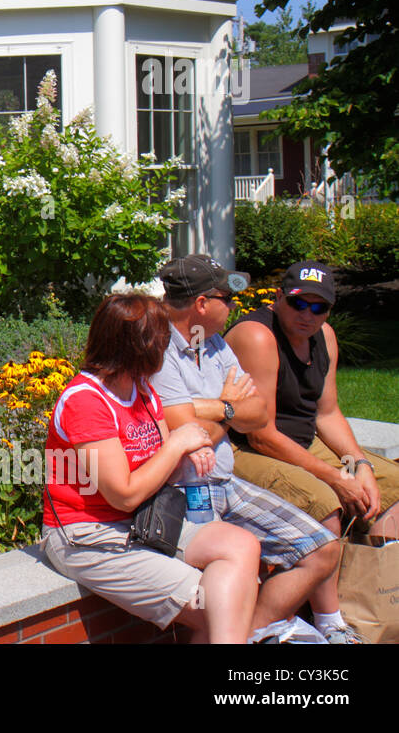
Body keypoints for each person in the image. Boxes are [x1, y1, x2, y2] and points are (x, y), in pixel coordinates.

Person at [42, 293, 261, 644]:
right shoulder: (86, 401)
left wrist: (189, 452)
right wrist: (177, 444)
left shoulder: (141, 389)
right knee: (218, 608)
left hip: (146, 518)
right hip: (89, 535)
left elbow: (162, 462)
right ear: (141, 345)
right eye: (162, 338)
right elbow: (124, 494)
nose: (170, 346)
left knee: (242, 545)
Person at [151, 255, 339, 643]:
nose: (235, 306)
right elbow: (181, 431)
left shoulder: (216, 343)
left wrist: (213, 407)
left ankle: (254, 631)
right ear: (202, 304)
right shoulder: (155, 350)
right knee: (214, 593)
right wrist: (226, 408)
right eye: (228, 298)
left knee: (322, 549)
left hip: (225, 479)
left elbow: (256, 413)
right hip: (184, 491)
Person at [227, 260, 399, 643]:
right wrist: (336, 477)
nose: (308, 314)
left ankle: (379, 603)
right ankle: (331, 623)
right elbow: (260, 435)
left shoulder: (326, 337)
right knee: (324, 503)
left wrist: (362, 464)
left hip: (300, 441)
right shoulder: (258, 336)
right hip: (245, 449)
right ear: (278, 300)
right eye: (298, 303)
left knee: (392, 488)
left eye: (319, 307)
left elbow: (328, 413)